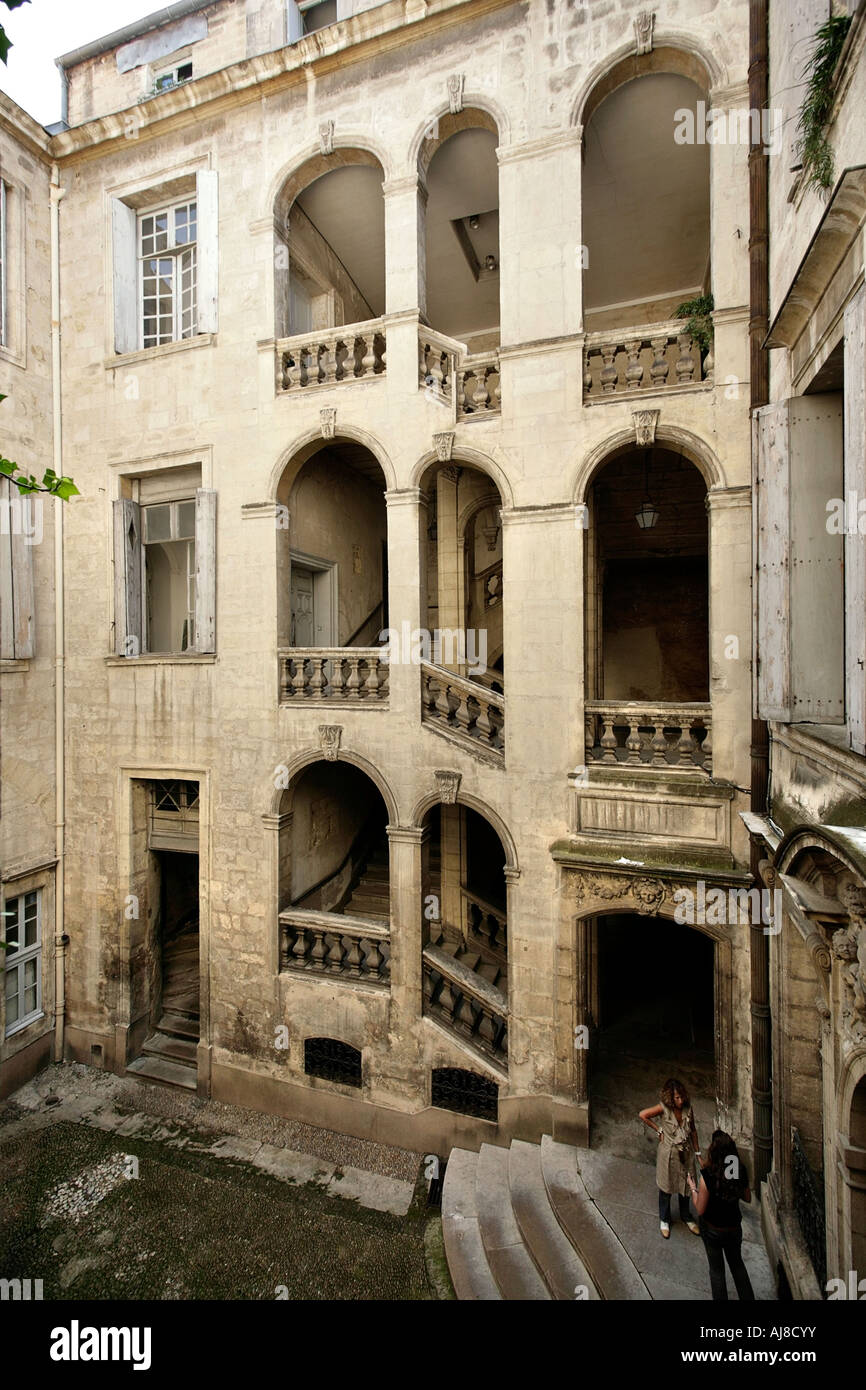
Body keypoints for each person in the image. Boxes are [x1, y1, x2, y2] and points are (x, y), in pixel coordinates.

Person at [687, 1129, 756, 1301]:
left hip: (713, 1230)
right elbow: (747, 1197)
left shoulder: (708, 1176)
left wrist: (693, 1189)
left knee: (717, 1272)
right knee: (738, 1266)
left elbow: (700, 1209)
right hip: (733, 1228)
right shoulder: (738, 1170)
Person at [639, 1078, 701, 1238]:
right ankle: (664, 1219)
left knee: (686, 1186)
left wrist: (698, 1152)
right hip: (670, 1152)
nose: (680, 1101)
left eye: (681, 1097)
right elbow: (643, 1115)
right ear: (670, 1098)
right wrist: (658, 1129)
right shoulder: (664, 1108)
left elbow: (693, 1130)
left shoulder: (688, 1108)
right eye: (676, 1098)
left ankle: (686, 1216)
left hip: (686, 1153)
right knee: (666, 1187)